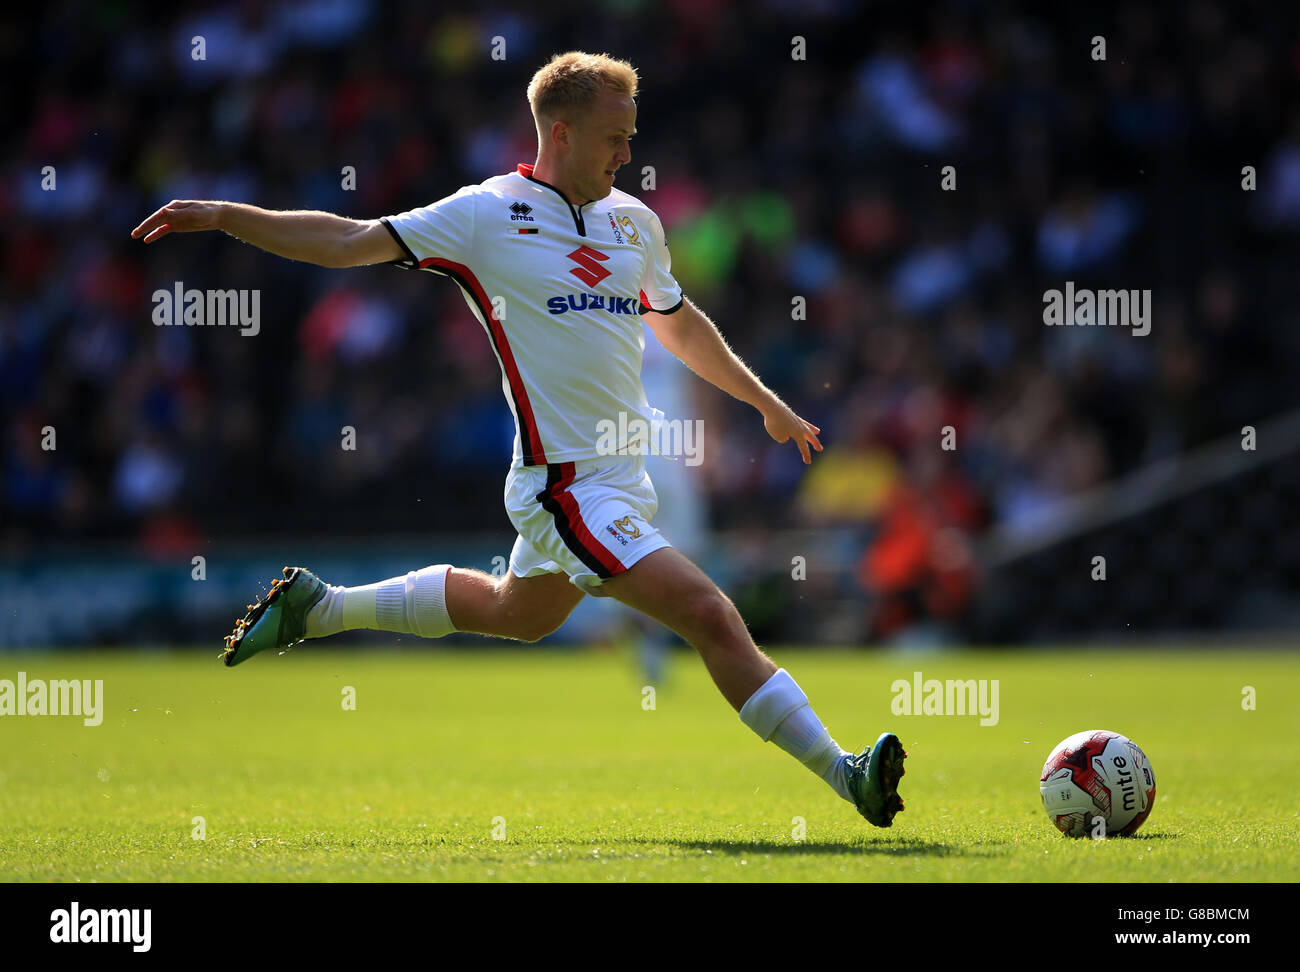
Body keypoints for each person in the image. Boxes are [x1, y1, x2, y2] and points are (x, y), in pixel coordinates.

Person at [130, 51, 905, 827]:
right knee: (709, 614)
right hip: (564, 485)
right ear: (561, 134)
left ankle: (319, 608)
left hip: (621, 476)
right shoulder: (485, 215)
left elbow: (676, 321)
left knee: (519, 612)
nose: (628, 155)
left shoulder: (634, 221)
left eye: (632, 138)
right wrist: (231, 216)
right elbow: (347, 238)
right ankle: (847, 775)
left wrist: (763, 402)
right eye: (614, 139)